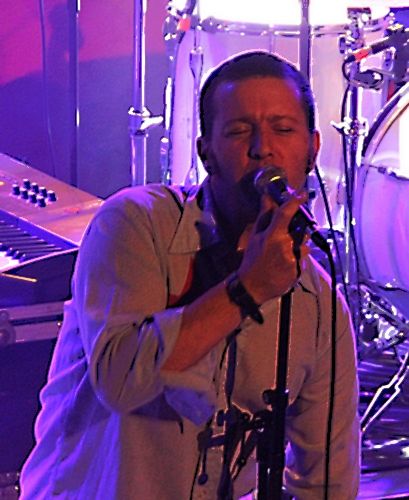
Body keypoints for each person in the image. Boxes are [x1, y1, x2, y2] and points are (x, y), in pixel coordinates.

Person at [20, 51, 360, 499]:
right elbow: (121, 381)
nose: (262, 148)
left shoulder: (318, 304)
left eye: (283, 129)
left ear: (312, 150)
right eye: (239, 131)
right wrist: (248, 289)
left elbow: (328, 482)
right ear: (206, 153)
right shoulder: (135, 224)